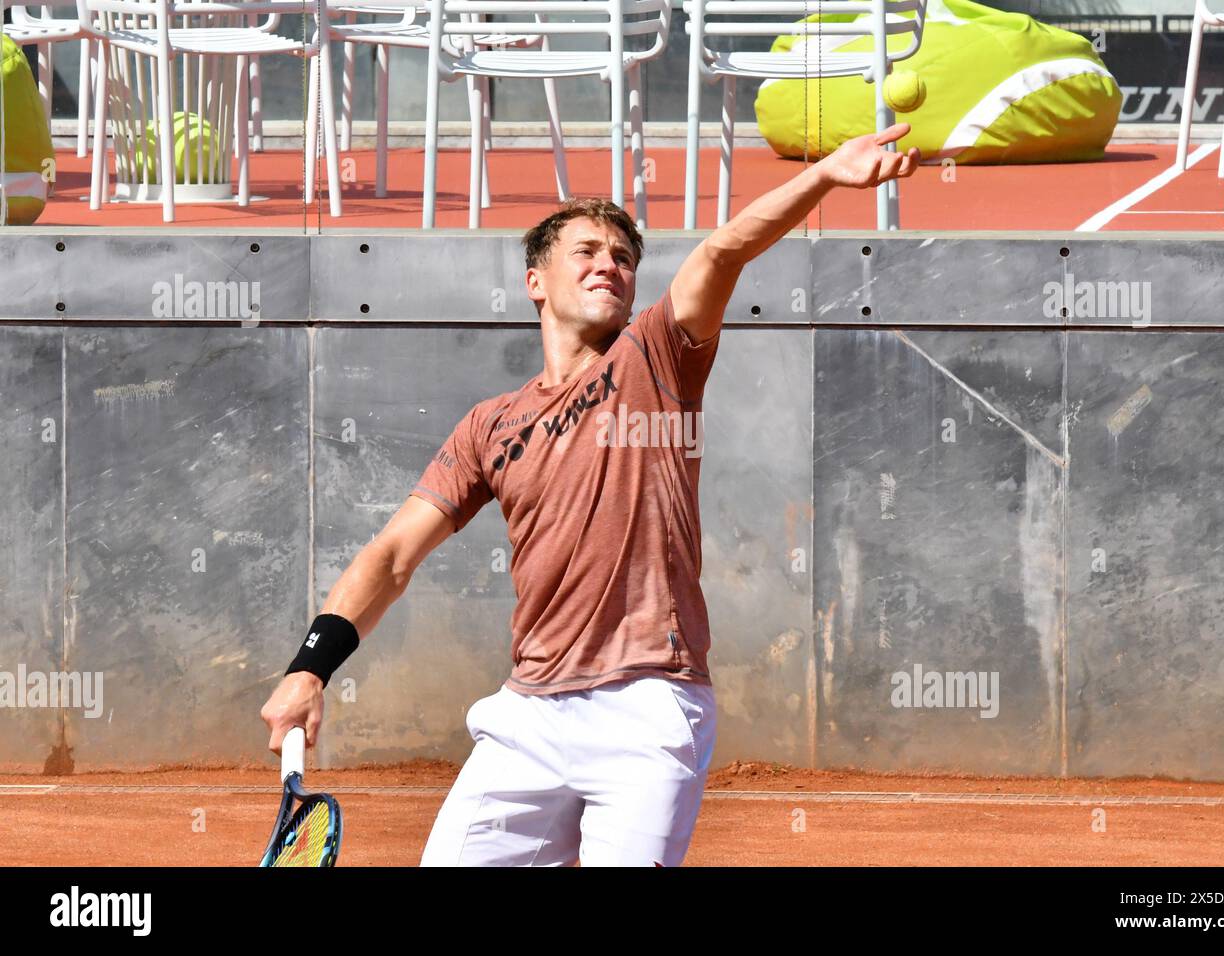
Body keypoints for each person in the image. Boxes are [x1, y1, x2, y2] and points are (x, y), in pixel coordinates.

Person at [260, 125, 919, 866]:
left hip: (648, 707)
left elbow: (722, 251)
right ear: (535, 280)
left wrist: (827, 174)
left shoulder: (658, 357)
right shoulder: (490, 426)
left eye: (624, 257)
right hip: (528, 716)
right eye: (588, 251)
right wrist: (309, 667)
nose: (611, 264)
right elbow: (391, 557)